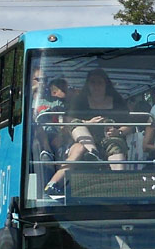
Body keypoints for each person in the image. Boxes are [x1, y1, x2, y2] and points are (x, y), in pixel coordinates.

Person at [42, 69, 132, 198]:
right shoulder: (80, 101)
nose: (96, 86)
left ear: (106, 84)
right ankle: (92, 153)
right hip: (82, 140)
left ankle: (119, 185)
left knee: (115, 146)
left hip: (109, 139)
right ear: (88, 85)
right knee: (78, 133)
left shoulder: (117, 101)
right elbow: (68, 121)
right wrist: (88, 123)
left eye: (100, 82)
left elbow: (130, 124)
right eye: (93, 82)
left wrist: (118, 131)